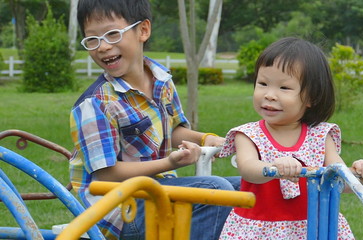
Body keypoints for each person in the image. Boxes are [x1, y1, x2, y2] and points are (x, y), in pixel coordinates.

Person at [69, 0, 240, 239]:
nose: (103, 47)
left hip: (156, 194)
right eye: (93, 40)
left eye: (112, 34)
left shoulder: (161, 79)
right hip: (117, 210)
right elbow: (107, 174)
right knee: (216, 191)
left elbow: (170, 131)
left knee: (243, 186)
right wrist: (170, 163)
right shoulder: (95, 104)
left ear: (143, 30)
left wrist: (208, 139)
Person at [218, 37, 363, 239]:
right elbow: (248, 169)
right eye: (263, 83)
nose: (269, 95)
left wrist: (362, 175)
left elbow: (339, 181)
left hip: (315, 228)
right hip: (260, 230)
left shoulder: (320, 136)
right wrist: (274, 168)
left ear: (311, 97)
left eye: (284, 88)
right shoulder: (248, 135)